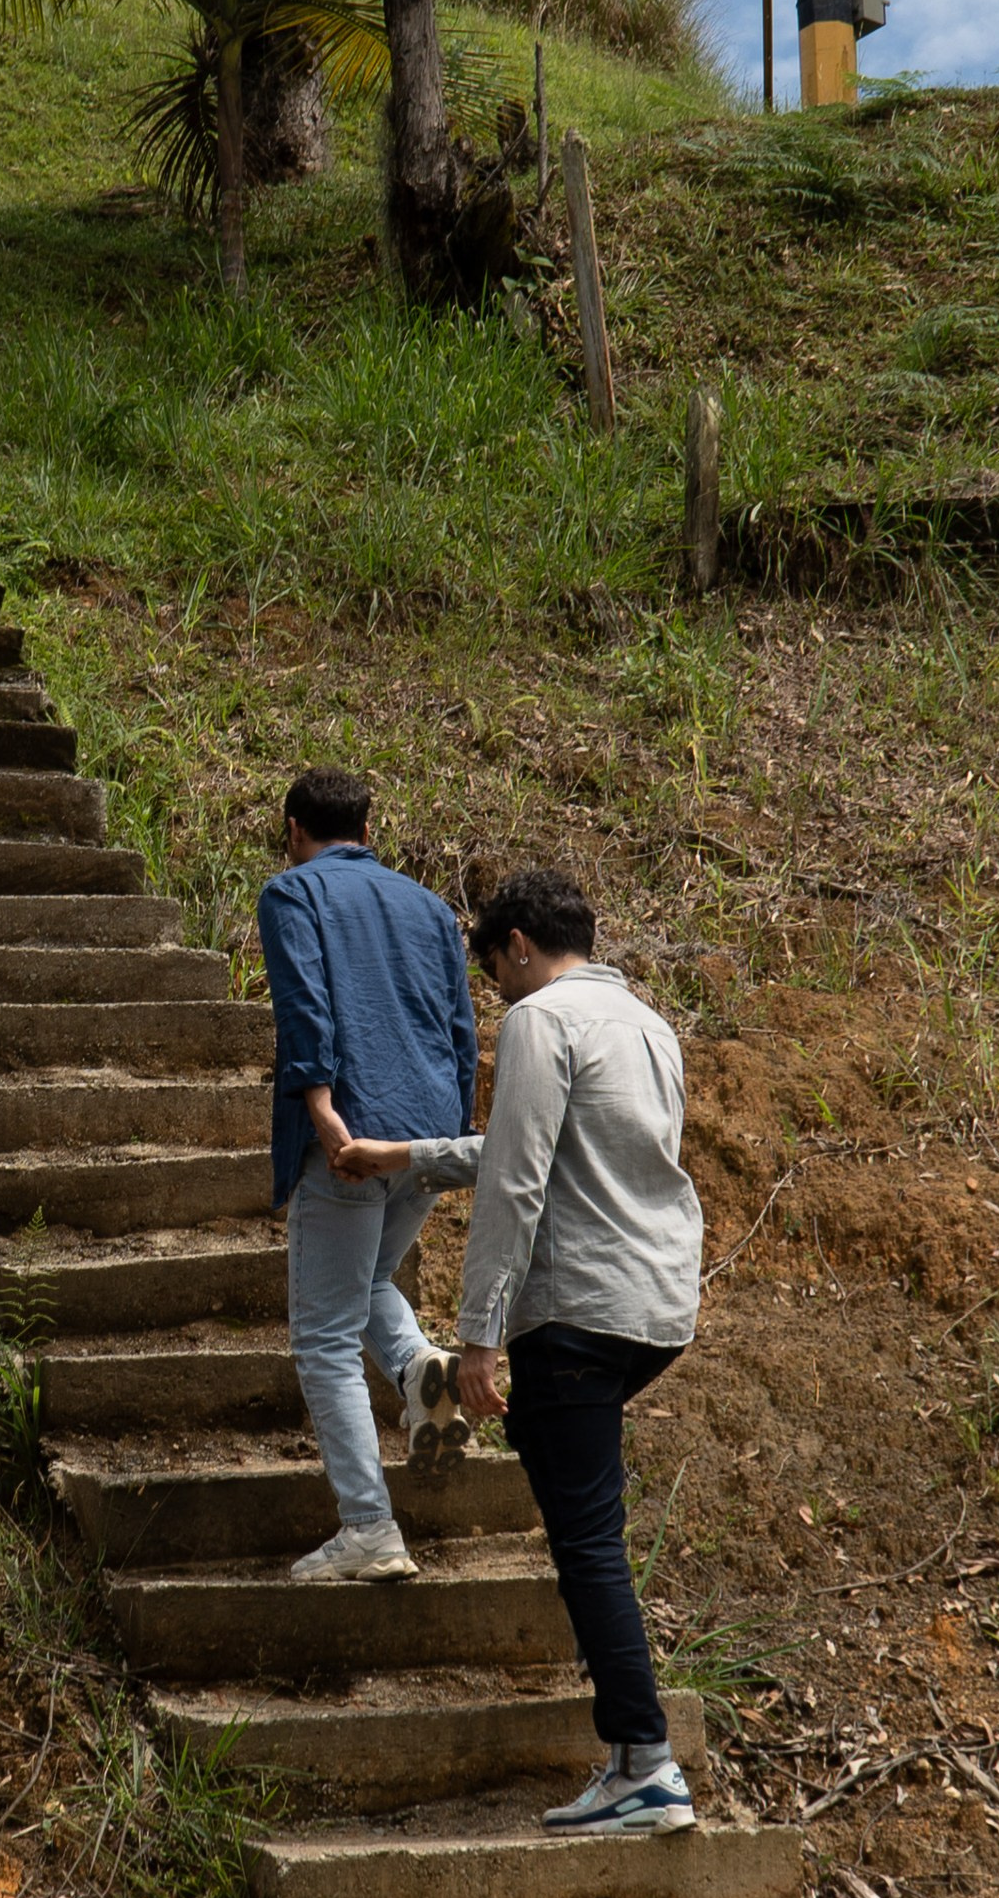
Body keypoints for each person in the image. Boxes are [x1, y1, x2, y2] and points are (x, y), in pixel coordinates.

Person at [448, 867, 704, 1837]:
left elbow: (515, 1184)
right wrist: (411, 1156)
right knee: (582, 1524)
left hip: (574, 1313)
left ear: (516, 943)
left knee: (588, 1543)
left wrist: (478, 1333)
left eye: (496, 970)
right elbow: (561, 1151)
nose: (498, 992)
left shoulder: (537, 1022)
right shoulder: (646, 1024)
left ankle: (644, 1764)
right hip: (654, 1307)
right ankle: (635, 1755)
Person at [256, 767, 482, 1585]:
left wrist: (320, 1110)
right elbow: (461, 1030)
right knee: (370, 1280)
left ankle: (369, 1528)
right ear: (366, 824)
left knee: (321, 1337)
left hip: (351, 1134)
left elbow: (304, 1005)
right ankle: (423, 1369)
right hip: (426, 1136)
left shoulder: (293, 894)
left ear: (294, 828)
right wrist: (448, 1134)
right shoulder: (428, 906)